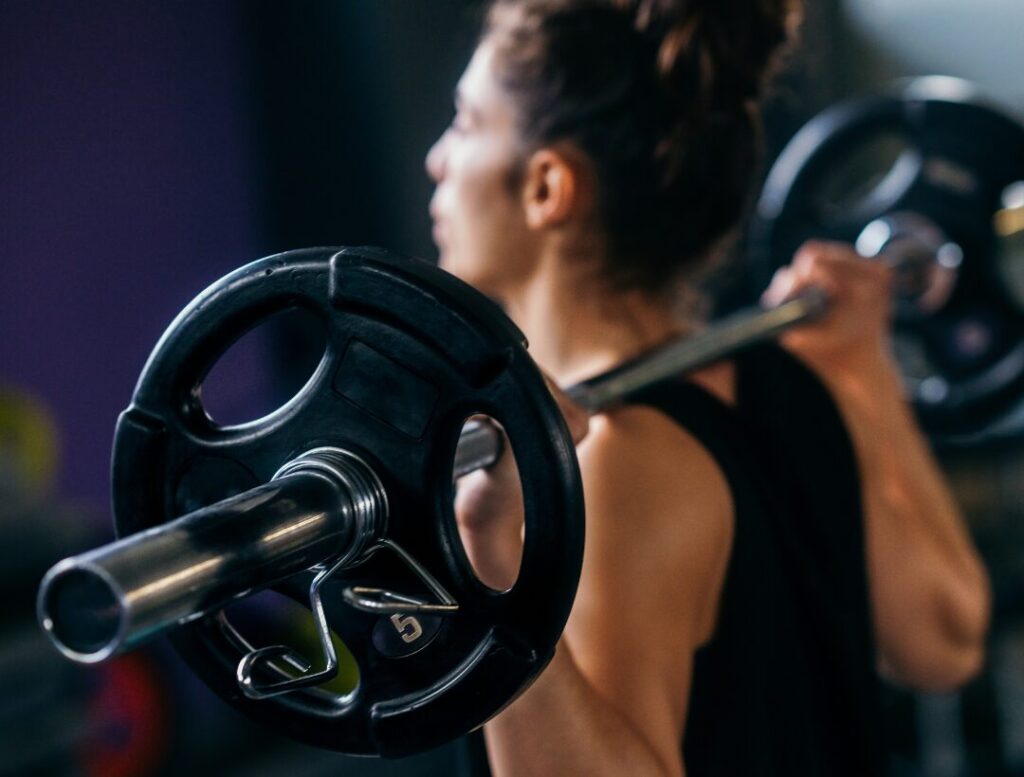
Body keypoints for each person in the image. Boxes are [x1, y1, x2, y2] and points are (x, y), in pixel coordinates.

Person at [424, 0, 992, 774]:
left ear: (547, 187)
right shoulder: (790, 382)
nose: (439, 160)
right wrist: (865, 371)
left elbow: (946, 645)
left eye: (465, 123)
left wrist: (489, 559)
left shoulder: (615, 468)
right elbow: (947, 640)